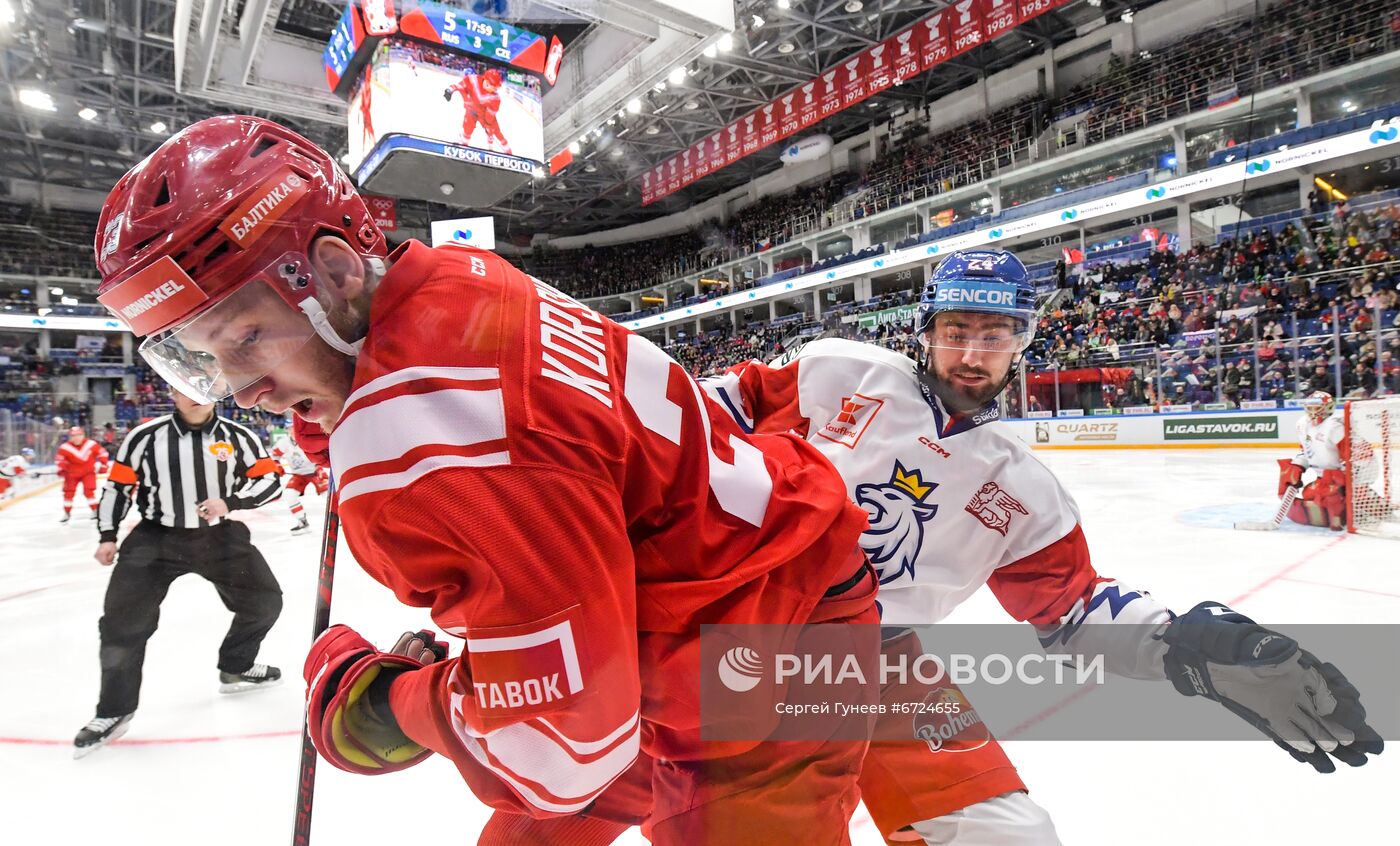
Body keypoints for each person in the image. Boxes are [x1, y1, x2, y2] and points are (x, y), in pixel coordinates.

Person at [93, 115, 878, 843]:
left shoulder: (424, 439)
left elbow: (564, 754)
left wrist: (387, 704)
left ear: (332, 271)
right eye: (203, 355)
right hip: (688, 604)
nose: (238, 388)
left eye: (247, 338)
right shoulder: (450, 275)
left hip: (765, 649)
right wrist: (331, 394)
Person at [474, 251, 1386, 846]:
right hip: (726, 635)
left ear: (1022, 343)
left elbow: (1072, 610)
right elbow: (685, 421)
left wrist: (1195, 644)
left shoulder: (1024, 488)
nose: (972, 351)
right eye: (957, 330)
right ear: (928, 331)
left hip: (875, 664)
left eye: (994, 335)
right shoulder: (836, 370)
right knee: (557, 809)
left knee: (1007, 835)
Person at [75, 388, 286, 757]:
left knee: (265, 601)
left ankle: (236, 666)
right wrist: (107, 535)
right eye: (183, 387)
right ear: (171, 392)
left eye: (202, 388)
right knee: (122, 622)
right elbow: (118, 488)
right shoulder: (144, 437)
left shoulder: (239, 437)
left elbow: (270, 481)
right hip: (155, 540)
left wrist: (230, 502)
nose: (194, 395)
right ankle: (113, 711)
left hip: (218, 537)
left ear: (216, 393)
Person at [1276, 391, 1351, 530]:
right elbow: (1306, 450)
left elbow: (1351, 456)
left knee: (1326, 497)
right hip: (1325, 477)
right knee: (1309, 493)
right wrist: (1297, 466)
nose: (1312, 411)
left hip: (1342, 474)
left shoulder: (1335, 426)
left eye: (1317, 407)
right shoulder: (1303, 424)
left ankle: (1348, 503)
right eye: (1310, 407)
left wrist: (1344, 478)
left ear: (1328, 407)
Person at [269, 431, 327, 534]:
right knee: (289, 494)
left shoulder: (307, 438)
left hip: (315, 471)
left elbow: (323, 452)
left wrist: (319, 466)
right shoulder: (283, 443)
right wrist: (277, 465)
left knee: (328, 495)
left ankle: (340, 517)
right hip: (298, 475)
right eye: (290, 427)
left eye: (294, 427)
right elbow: (274, 455)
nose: (292, 430)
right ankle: (302, 522)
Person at [444, 67, 512, 154]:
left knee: (496, 131)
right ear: (487, 83)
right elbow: (459, 86)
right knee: (467, 129)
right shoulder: (472, 80)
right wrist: (449, 90)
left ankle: (508, 151)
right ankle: (463, 146)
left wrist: (488, 125)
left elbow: (490, 115)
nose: (496, 90)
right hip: (471, 111)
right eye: (494, 87)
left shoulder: (495, 98)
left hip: (484, 114)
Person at [56, 426, 108, 522]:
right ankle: (67, 512)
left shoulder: (91, 444)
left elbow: (103, 453)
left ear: (83, 435)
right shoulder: (65, 447)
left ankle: (94, 510)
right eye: (73, 436)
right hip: (71, 475)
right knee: (68, 493)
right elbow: (60, 460)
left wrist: (104, 465)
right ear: (70, 437)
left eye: (79, 435)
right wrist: (61, 469)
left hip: (88, 473)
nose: (76, 438)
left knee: (89, 492)